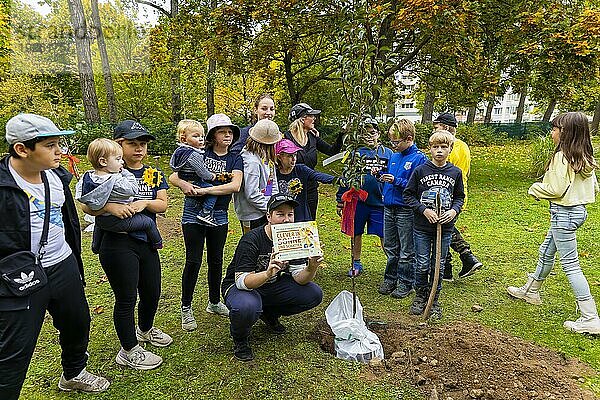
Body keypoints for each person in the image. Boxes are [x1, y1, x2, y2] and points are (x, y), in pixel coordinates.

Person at [0, 113, 109, 399]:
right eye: (50, 145)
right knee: (14, 349)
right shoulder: (3, 185)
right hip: (18, 276)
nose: (60, 151)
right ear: (22, 149)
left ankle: (73, 374)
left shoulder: (58, 176)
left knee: (77, 322)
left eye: (60, 143)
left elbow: (68, 219)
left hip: (63, 264)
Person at [81, 120, 172, 370]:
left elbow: (162, 205)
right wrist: (111, 207)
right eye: (133, 143)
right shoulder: (105, 171)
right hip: (118, 244)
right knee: (126, 298)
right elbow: (87, 204)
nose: (139, 149)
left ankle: (145, 329)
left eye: (142, 144)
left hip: (145, 243)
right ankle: (129, 350)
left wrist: (144, 203)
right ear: (118, 145)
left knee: (152, 292)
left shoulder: (152, 173)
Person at [507, 112, 600, 334]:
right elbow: (594, 186)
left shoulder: (562, 157)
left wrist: (534, 188)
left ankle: (590, 317)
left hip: (564, 214)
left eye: (555, 129)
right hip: (577, 212)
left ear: (565, 133)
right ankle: (531, 290)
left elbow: (555, 189)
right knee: (546, 251)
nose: (552, 133)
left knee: (571, 265)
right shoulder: (584, 155)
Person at [222, 194, 324, 361]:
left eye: (290, 214)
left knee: (313, 293)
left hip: (271, 285)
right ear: (268, 216)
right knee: (247, 306)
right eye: (280, 214)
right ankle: (240, 338)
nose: (286, 220)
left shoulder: (296, 237)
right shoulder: (251, 239)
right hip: (242, 286)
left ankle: (269, 313)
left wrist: (311, 267)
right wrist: (268, 273)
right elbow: (241, 281)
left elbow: (299, 278)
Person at [169, 113, 244, 330]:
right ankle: (186, 308)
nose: (228, 135)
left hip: (219, 214)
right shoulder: (200, 151)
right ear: (213, 135)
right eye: (223, 131)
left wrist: (205, 190)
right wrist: (183, 184)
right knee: (193, 260)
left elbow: (234, 185)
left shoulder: (235, 158)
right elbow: (174, 175)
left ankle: (214, 302)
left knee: (216, 260)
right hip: (192, 212)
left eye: (230, 131)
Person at [404, 130, 465, 319]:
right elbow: (408, 195)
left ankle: (434, 299)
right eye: (435, 147)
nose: (439, 151)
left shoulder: (455, 172)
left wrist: (453, 211)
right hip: (422, 227)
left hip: (445, 229)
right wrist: (424, 210)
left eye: (443, 147)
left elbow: (459, 197)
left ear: (450, 149)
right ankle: (421, 297)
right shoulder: (421, 170)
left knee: (437, 264)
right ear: (429, 149)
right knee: (422, 264)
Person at [76, 138, 163, 249]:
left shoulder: (88, 178)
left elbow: (83, 199)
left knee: (100, 225)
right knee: (148, 222)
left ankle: (96, 245)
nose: (122, 162)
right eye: (118, 159)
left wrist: (104, 206)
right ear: (103, 161)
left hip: (100, 219)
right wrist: (126, 173)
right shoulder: (115, 179)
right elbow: (132, 189)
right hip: (118, 220)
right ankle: (157, 243)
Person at [378, 119, 428, 298]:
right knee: (390, 246)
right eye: (391, 141)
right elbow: (389, 177)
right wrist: (381, 177)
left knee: (407, 249)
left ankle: (406, 282)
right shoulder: (394, 155)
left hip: (406, 209)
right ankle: (391, 278)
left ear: (408, 138)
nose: (393, 145)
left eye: (396, 142)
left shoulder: (419, 158)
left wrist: (396, 181)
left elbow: (419, 186)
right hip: (389, 207)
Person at [336, 117, 392, 276]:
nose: (369, 136)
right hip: (357, 201)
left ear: (379, 134)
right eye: (364, 133)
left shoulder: (387, 153)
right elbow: (345, 177)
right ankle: (356, 262)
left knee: (385, 234)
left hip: (380, 202)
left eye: (372, 132)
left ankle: (393, 263)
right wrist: (340, 200)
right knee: (356, 232)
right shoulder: (354, 153)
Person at [433, 113, 483, 280]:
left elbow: (443, 171)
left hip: (449, 196)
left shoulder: (450, 148)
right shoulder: (464, 146)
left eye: (437, 127)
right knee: (443, 229)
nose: (435, 131)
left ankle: (466, 257)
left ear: (446, 128)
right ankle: (448, 267)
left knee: (445, 230)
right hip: (461, 193)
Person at [284, 102, 344, 220]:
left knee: (310, 223)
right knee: (291, 222)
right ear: (302, 119)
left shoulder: (312, 137)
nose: (314, 119)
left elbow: (332, 151)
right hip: (292, 189)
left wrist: (341, 134)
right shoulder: (286, 138)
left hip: (311, 189)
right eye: (311, 116)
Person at [233, 118, 282, 233]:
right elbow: (252, 193)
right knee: (254, 246)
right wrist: (270, 208)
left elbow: (270, 182)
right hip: (252, 215)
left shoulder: (266, 157)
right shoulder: (251, 161)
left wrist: (274, 201)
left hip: (264, 211)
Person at [169, 119, 218, 226]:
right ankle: (205, 212)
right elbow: (202, 172)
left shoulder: (179, 151)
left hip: (186, 179)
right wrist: (212, 176)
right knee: (213, 193)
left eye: (202, 136)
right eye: (196, 136)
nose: (200, 139)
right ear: (184, 139)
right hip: (195, 180)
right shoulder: (194, 154)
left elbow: (173, 166)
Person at [275, 138, 337, 222]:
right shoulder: (273, 173)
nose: (294, 159)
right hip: (281, 219)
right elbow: (267, 194)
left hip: (301, 217)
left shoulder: (301, 169)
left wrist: (338, 180)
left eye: (295, 155)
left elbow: (317, 175)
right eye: (290, 156)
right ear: (279, 157)